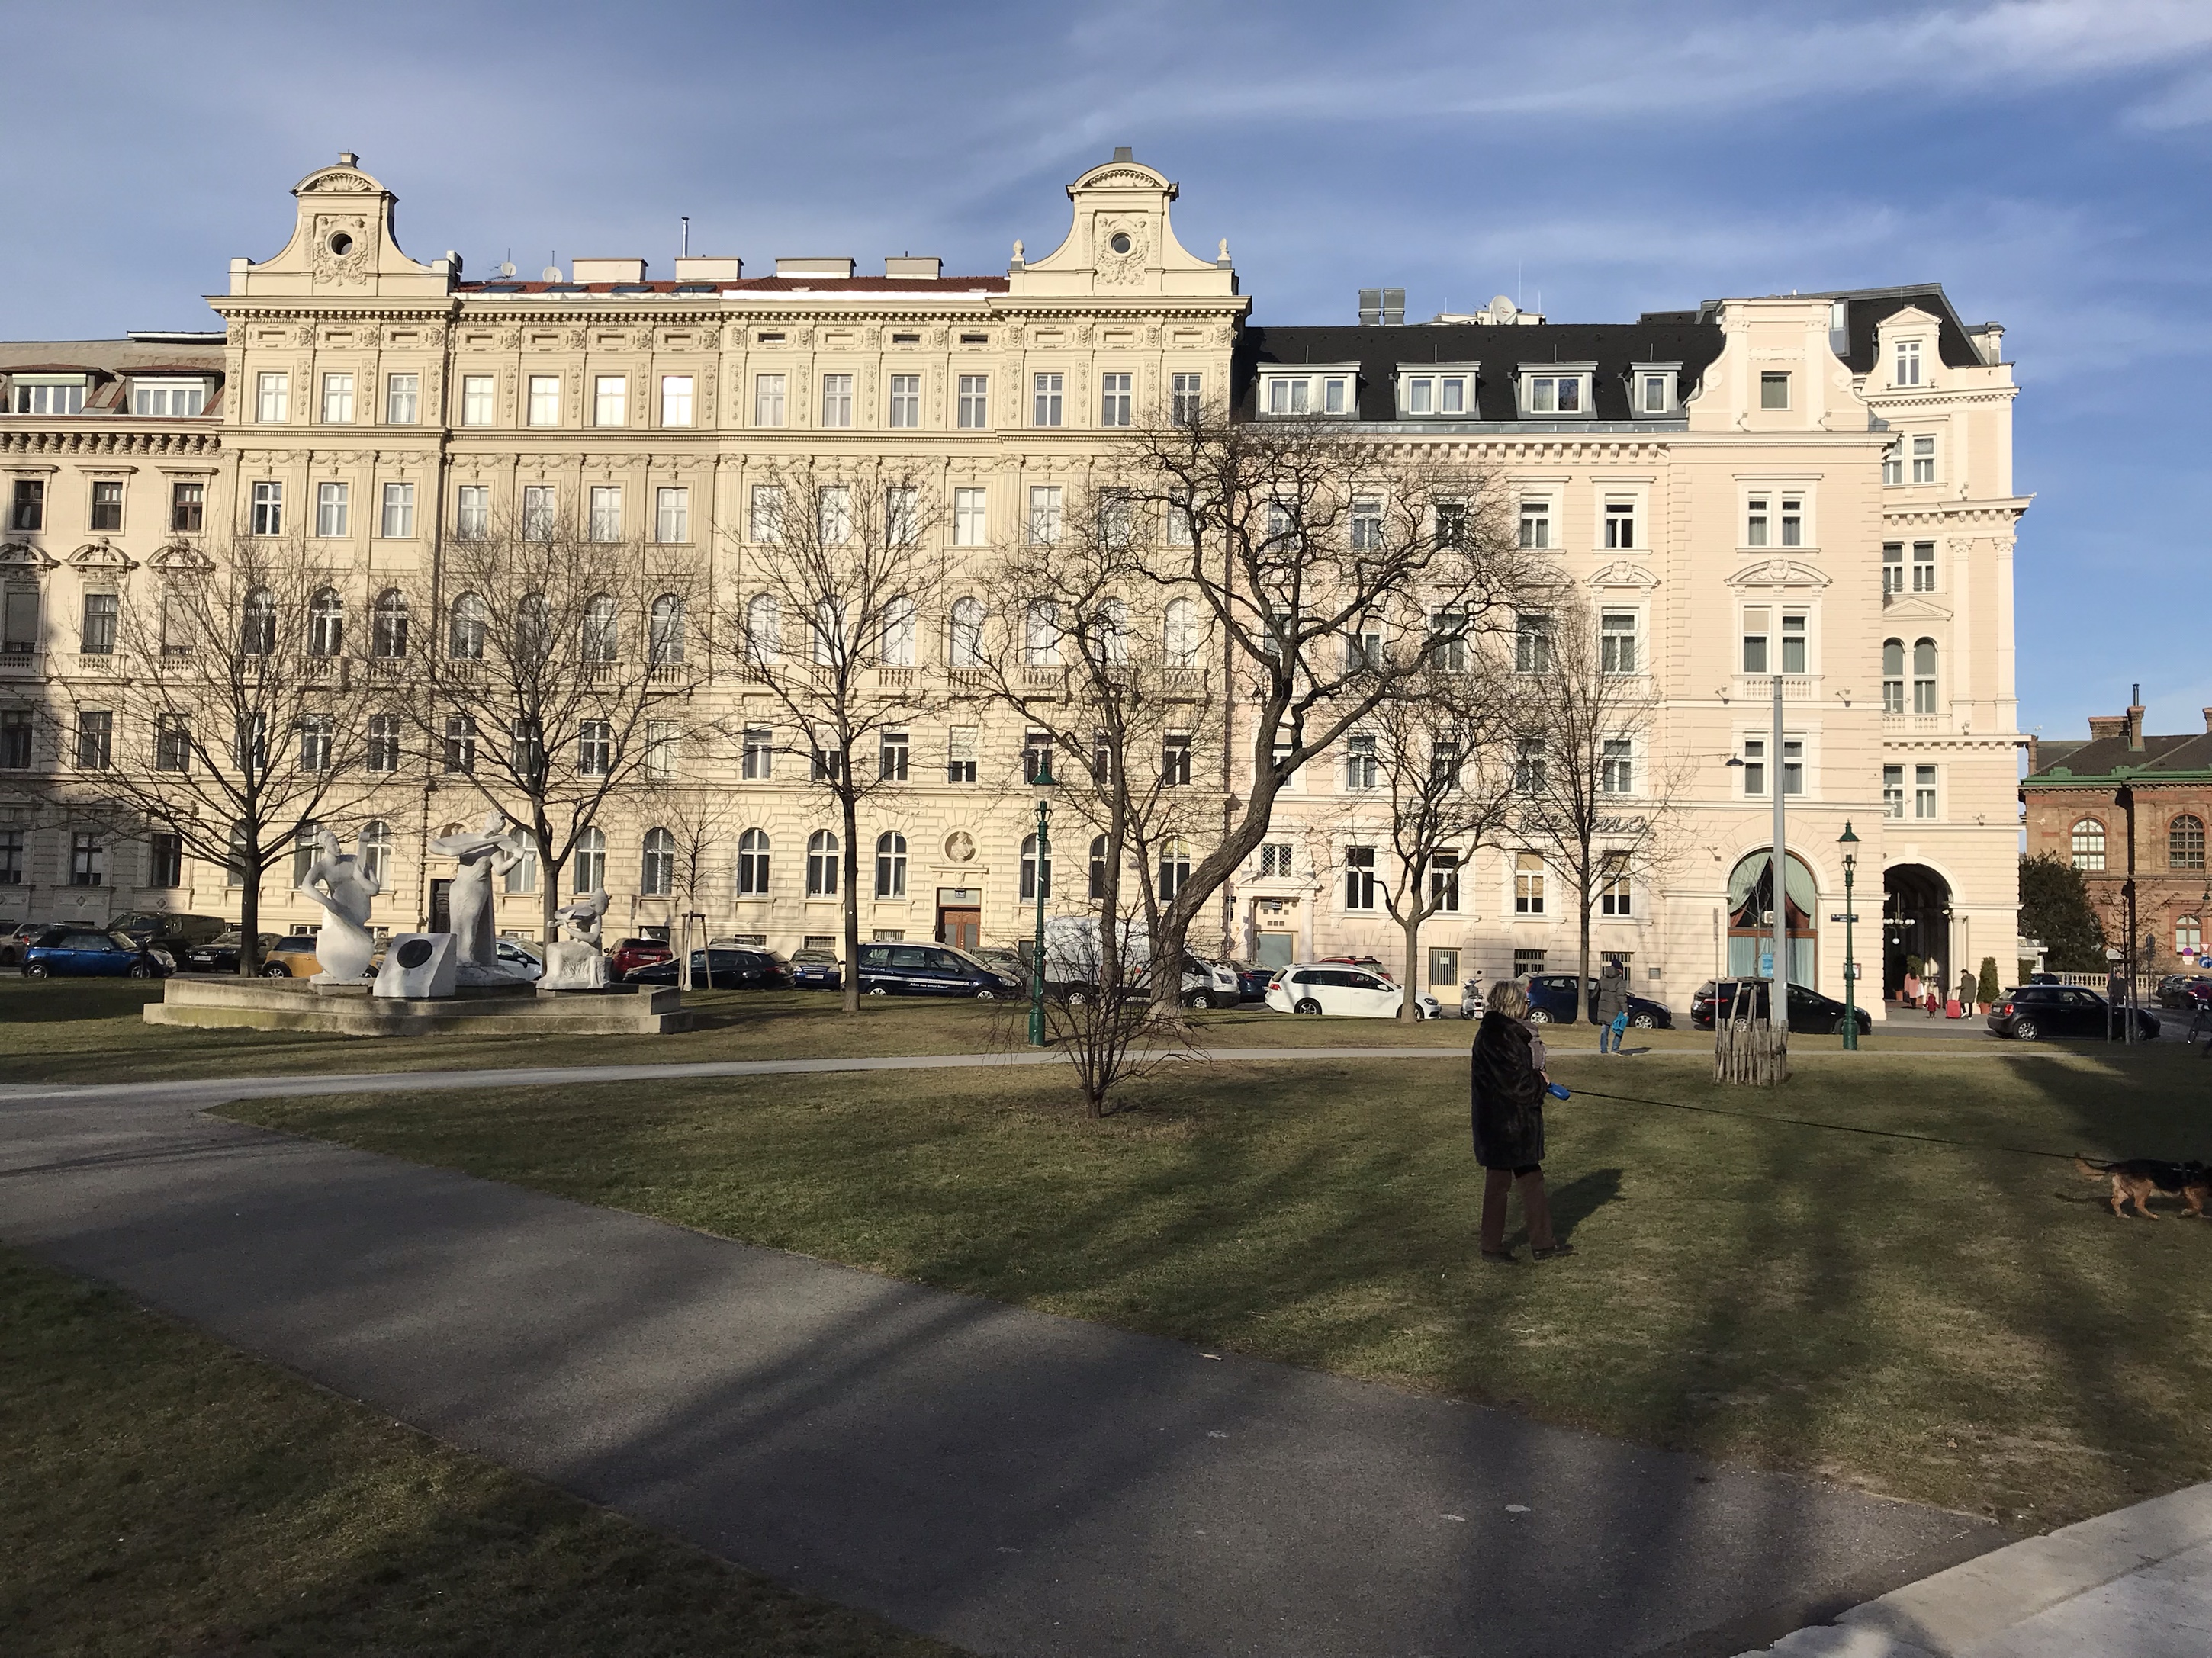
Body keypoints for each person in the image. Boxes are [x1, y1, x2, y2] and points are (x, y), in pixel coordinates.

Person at [1471, 978, 1571, 1264]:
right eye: (1524, 1001)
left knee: (1532, 1182)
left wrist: (1537, 1080)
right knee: (1499, 1186)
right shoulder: (1497, 1036)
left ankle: (1543, 1244)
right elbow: (1518, 1085)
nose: (1528, 1004)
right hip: (1503, 1127)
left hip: (1516, 1125)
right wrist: (1540, 1082)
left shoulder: (1509, 1033)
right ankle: (1492, 1246)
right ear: (1510, 1004)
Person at [1593, 957, 1628, 1052]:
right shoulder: (1619, 981)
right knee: (1619, 1028)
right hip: (1616, 1009)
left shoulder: (1603, 979)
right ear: (1619, 970)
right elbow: (1622, 997)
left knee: (1604, 1029)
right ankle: (1615, 1048)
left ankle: (1603, 1050)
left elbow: (1596, 992)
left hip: (1603, 1008)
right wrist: (1625, 1010)